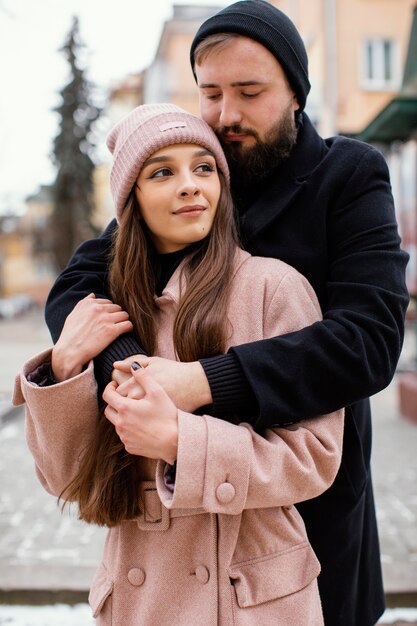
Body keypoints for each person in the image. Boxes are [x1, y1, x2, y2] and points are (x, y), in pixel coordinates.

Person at [44, 2, 410, 625]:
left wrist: (200, 382)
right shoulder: (199, 173)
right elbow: (79, 284)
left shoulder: (346, 176)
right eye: (210, 93)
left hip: (298, 500)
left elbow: (367, 342)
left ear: (296, 92)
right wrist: (134, 374)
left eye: (250, 91)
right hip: (172, 521)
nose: (226, 115)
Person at [15, 103, 344, 625]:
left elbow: (315, 457)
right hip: (140, 599)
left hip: (252, 604)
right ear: (132, 198)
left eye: (204, 167)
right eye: (162, 172)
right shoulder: (107, 308)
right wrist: (65, 364)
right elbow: (67, 480)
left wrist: (179, 441)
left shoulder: (273, 287)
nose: (190, 185)